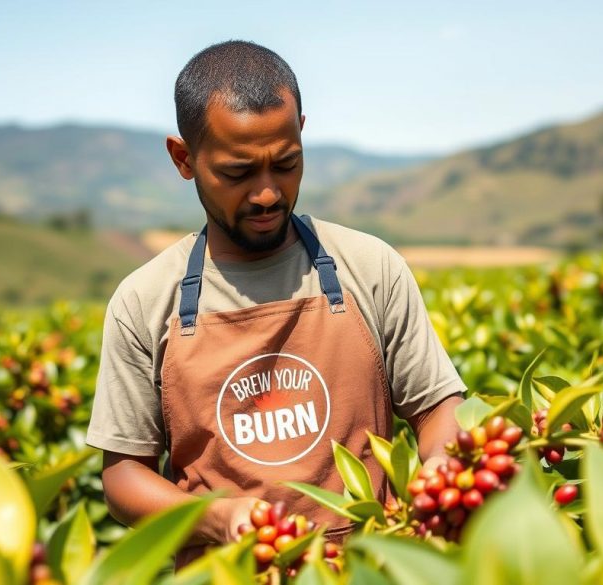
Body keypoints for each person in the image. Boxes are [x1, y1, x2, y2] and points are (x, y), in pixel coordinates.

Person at [85, 40, 465, 561]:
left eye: (286, 164)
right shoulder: (145, 300)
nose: (267, 194)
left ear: (301, 134)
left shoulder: (370, 266)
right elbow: (124, 474)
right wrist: (216, 518)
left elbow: (438, 408)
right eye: (238, 173)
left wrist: (444, 466)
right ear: (183, 158)